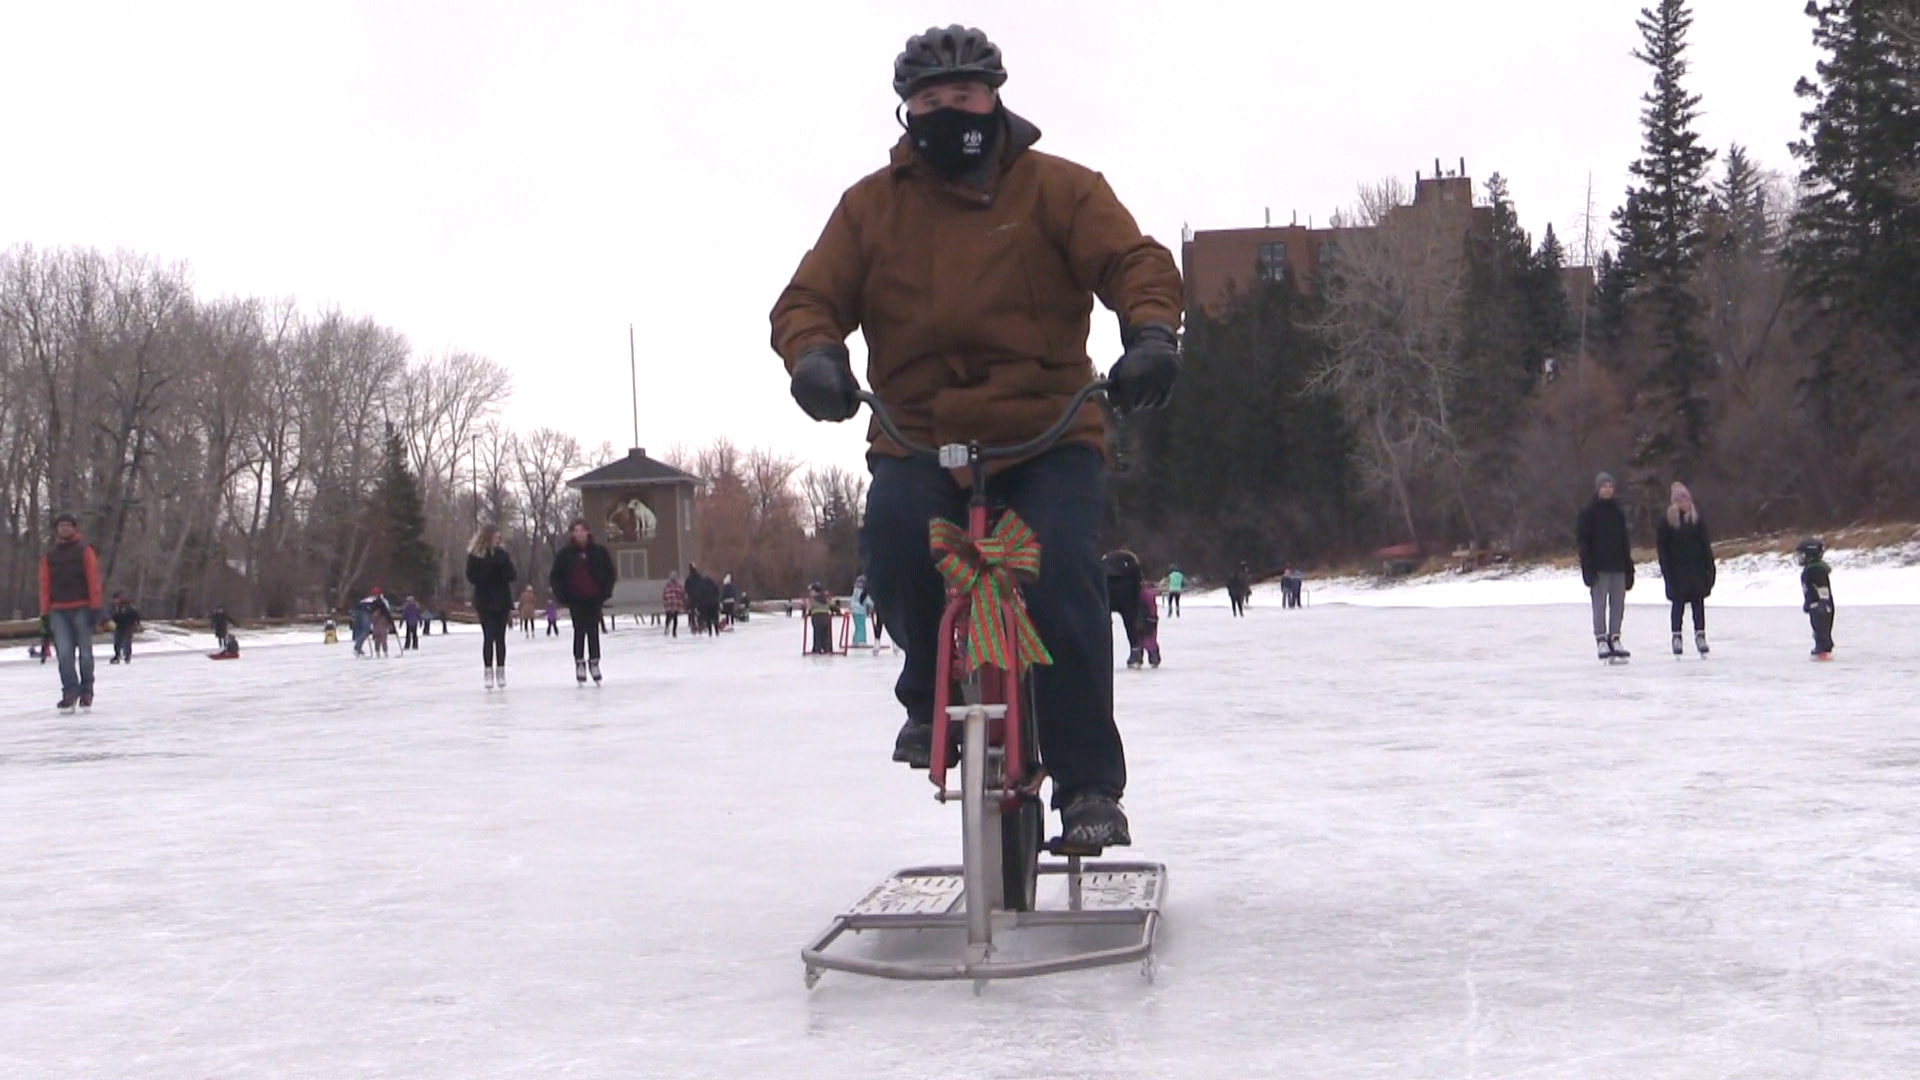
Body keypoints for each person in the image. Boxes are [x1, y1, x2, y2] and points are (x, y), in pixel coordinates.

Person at [771, 25, 1183, 848]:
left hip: (1046, 432)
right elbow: (808, 298)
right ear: (906, 113)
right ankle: (932, 683)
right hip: (919, 435)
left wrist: (1150, 336)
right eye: (928, 103)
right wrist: (815, 357)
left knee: (1061, 573)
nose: (944, 115)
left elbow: (1133, 261)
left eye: (960, 99)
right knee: (893, 545)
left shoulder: (1059, 190)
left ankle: (1089, 785)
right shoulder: (869, 209)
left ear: (994, 100)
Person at [39, 512, 103, 712]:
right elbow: (44, 585)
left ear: (74, 528)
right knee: (64, 654)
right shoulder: (49, 555)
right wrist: (45, 613)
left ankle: (86, 691)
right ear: (57, 529)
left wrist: (95, 606)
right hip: (58, 610)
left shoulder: (84, 551)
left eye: (68, 525)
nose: (64, 528)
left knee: (85, 653)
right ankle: (69, 692)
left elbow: (93, 579)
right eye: (61, 525)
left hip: (82, 607)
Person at [549, 518, 616, 684]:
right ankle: (579, 662)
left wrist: (605, 592)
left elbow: (610, 573)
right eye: (576, 531)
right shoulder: (565, 554)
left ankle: (594, 662)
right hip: (575, 598)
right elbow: (555, 576)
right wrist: (562, 595)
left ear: (588, 532)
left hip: (593, 597)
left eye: (582, 530)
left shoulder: (599, 552)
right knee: (579, 630)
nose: (579, 534)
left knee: (593, 630)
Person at [1577, 471, 1635, 661]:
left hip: (1617, 565)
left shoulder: (1618, 513)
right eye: (1604, 486)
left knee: (1618, 604)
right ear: (1598, 489)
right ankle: (1601, 638)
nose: (1607, 490)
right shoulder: (1589, 513)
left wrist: (1629, 567)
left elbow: (1624, 541)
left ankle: (1615, 636)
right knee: (1599, 605)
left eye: (1610, 487)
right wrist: (1587, 568)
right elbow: (1584, 542)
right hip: (1599, 567)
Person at [1655, 481, 1716, 657]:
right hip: (1677, 572)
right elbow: (1663, 548)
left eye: (1686, 500)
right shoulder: (1667, 522)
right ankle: (1676, 636)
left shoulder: (1697, 520)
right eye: (1680, 500)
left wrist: (1709, 569)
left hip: (1696, 570)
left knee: (1698, 604)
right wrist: (1667, 572)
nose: (1684, 504)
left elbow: (1705, 546)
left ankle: (1700, 635)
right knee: (1678, 605)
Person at [466, 523, 518, 689]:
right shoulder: (476, 556)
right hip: (485, 601)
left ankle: (501, 669)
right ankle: (488, 670)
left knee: (500, 637)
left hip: (502, 600)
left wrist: (501, 570)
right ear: (488, 538)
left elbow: (512, 574)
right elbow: (472, 576)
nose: (498, 540)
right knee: (489, 636)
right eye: (496, 537)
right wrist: (489, 571)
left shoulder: (503, 555)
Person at [1104, 549, 1146, 669]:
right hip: (1129, 597)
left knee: (1105, 625)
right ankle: (1136, 649)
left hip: (1111, 597)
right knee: (1131, 623)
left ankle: (1104, 653)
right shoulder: (1131, 564)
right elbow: (1138, 584)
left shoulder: (1106, 562)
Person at [1798, 537, 1835, 659]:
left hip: (1820, 607)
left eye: (1802, 554)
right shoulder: (1809, 570)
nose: (1800, 558)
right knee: (1818, 631)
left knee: (1821, 633)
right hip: (1816, 606)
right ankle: (1821, 647)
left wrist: (1821, 605)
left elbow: (1823, 590)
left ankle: (1823, 651)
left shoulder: (1816, 570)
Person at [108, 592, 141, 664]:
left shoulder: (127, 606)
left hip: (127, 625)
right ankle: (117, 655)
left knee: (127, 641)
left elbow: (135, 614)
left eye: (116, 599)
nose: (115, 601)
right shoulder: (113, 607)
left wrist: (136, 623)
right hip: (118, 626)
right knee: (117, 642)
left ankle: (127, 656)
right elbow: (111, 616)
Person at [1137, 577, 1161, 668]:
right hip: (1151, 618)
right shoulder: (1149, 593)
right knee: (1149, 638)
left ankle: (1141, 657)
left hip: (1144, 618)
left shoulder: (1142, 593)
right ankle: (1153, 657)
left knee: (1143, 639)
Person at [365, 589, 397, 657]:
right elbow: (387, 613)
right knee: (379, 638)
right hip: (379, 622)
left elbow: (386, 613)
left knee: (380, 638)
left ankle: (381, 651)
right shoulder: (379, 602)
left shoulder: (377, 603)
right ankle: (380, 651)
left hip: (380, 621)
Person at [662, 571, 688, 637]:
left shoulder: (667, 586)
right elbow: (683, 594)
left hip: (669, 604)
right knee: (675, 618)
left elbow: (664, 595)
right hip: (676, 604)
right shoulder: (679, 586)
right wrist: (684, 602)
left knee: (668, 617)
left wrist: (665, 602)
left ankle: (667, 627)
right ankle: (674, 631)